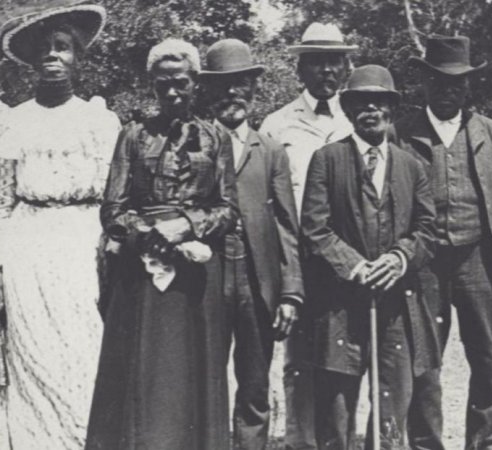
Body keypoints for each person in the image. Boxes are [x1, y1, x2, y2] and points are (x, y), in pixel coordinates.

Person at [0, 2, 121, 449]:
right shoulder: (13, 122)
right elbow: (2, 206)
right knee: (33, 356)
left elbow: (111, 201)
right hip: (28, 252)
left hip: (80, 249)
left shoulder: (98, 120)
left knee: (81, 352)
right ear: (32, 61)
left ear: (78, 57)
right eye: (45, 49)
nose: (53, 57)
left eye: (63, 48)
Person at [85, 38, 238, 450]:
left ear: (196, 84)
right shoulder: (133, 135)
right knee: (144, 372)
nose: (172, 92)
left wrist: (187, 225)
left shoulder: (216, 137)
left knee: (192, 374)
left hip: (196, 278)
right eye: (163, 84)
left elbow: (227, 209)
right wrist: (150, 236)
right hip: (141, 276)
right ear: (151, 85)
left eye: (181, 83)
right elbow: (113, 209)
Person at [300, 64, 439, 450]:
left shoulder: (412, 167)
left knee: (392, 403)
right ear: (348, 109)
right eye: (361, 103)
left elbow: (428, 230)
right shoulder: (327, 159)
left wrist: (399, 259)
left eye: (379, 103)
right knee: (337, 409)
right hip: (340, 305)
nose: (371, 110)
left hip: (396, 306)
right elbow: (314, 229)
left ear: (391, 110)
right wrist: (355, 266)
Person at [395, 36, 492, 450]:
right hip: (425, 263)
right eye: (438, 81)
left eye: (456, 83)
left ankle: (485, 444)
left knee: (488, 363)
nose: (447, 90)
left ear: (468, 86)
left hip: (479, 261)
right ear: (424, 84)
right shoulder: (402, 133)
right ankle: (426, 444)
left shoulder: (491, 134)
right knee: (423, 366)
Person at [199, 39, 305, 450]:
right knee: (206, 382)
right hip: (206, 279)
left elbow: (286, 225)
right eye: (223, 85)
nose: (232, 94)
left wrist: (291, 292)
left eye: (241, 84)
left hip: (258, 284)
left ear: (253, 89)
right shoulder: (194, 143)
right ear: (209, 91)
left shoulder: (271, 150)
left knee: (255, 385)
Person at [258, 22, 355, 449]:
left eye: (334, 61)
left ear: (345, 67)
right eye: (316, 62)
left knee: (343, 359)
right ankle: (300, 442)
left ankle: (341, 440)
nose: (326, 72)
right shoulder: (277, 126)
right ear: (301, 69)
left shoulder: (359, 119)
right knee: (298, 359)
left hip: (347, 260)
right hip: (296, 260)